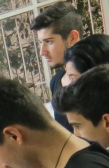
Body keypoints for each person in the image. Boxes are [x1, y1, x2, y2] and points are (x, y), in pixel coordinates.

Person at [29, 1, 82, 131]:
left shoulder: (99, 79)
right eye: (41, 43)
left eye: (49, 41)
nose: (42, 52)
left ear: (72, 38)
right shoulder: (55, 82)